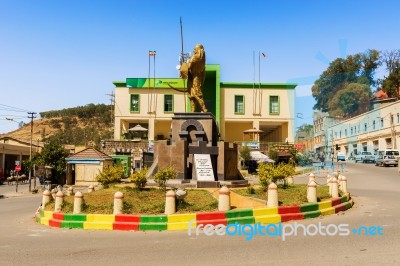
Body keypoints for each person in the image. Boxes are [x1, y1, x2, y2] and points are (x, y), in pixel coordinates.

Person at [180, 44, 207, 112]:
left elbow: (188, 67)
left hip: (194, 78)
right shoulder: (202, 60)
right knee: (192, 96)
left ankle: (204, 109)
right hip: (196, 77)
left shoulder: (195, 57)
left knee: (197, 94)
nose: (193, 50)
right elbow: (204, 73)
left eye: (195, 49)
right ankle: (193, 111)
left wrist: (183, 63)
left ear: (198, 49)